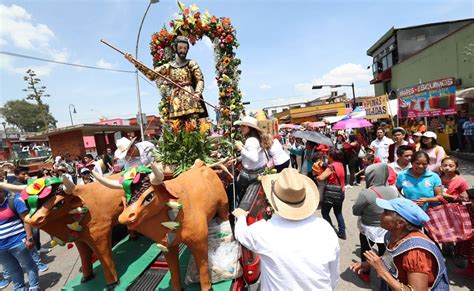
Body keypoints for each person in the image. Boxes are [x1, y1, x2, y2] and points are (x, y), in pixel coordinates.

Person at [233, 168, 340, 290]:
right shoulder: (325, 228)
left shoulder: (263, 230)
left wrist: (241, 217)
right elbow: (333, 275)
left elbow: (240, 233)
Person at [351, 198, 449, 290]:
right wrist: (371, 264)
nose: (380, 215)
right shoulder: (392, 235)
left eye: (385, 213)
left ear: (400, 223)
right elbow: (393, 257)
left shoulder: (416, 252)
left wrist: (382, 272)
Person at [125, 36, 207, 121]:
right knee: (176, 128)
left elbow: (199, 79)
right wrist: (135, 62)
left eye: (185, 48)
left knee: (193, 125)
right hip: (176, 101)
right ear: (175, 48)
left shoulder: (191, 63)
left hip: (190, 99)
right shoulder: (169, 66)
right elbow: (152, 75)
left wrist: (197, 92)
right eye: (180, 47)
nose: (183, 50)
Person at [352, 163, 398, 283]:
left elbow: (356, 211)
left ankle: (365, 273)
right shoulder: (392, 191)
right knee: (384, 250)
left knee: (366, 250)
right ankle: (383, 272)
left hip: (368, 228)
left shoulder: (366, 193)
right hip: (386, 227)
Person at [0, 188, 40, 291]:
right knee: (12, 270)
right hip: (1, 249)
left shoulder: (14, 201)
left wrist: (29, 238)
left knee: (29, 265)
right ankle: (19, 288)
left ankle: (34, 287)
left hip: (18, 243)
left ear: (1, 191)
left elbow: (26, 220)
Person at [233, 116, 267, 204]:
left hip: (250, 174)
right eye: (241, 126)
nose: (241, 128)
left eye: (244, 126)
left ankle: (238, 212)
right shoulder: (255, 139)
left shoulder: (251, 140)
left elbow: (254, 158)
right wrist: (239, 158)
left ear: (250, 128)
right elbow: (251, 155)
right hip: (257, 173)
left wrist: (241, 148)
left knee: (237, 193)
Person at [316, 149, 346, 239]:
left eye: (328, 156)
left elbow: (321, 178)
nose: (327, 157)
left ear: (332, 157)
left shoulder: (331, 167)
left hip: (331, 192)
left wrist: (316, 176)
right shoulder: (340, 164)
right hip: (341, 191)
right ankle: (342, 232)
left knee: (324, 212)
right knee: (338, 213)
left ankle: (330, 230)